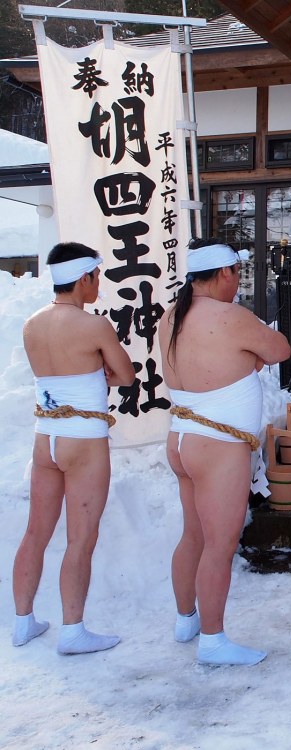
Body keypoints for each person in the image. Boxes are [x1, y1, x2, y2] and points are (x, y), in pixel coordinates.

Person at [158, 238, 291, 666]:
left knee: (194, 534)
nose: (238, 282)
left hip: (181, 437)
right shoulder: (231, 316)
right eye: (237, 274)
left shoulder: (170, 315)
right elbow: (280, 350)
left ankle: (186, 620)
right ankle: (212, 641)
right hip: (218, 443)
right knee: (219, 543)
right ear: (224, 274)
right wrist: (250, 357)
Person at [12, 241, 135, 655]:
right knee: (81, 538)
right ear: (84, 278)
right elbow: (126, 375)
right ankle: (72, 630)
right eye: (96, 276)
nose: (98, 283)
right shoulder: (94, 326)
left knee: (35, 532)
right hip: (82, 437)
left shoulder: (32, 323)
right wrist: (99, 370)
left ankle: (22, 621)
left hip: (44, 436)